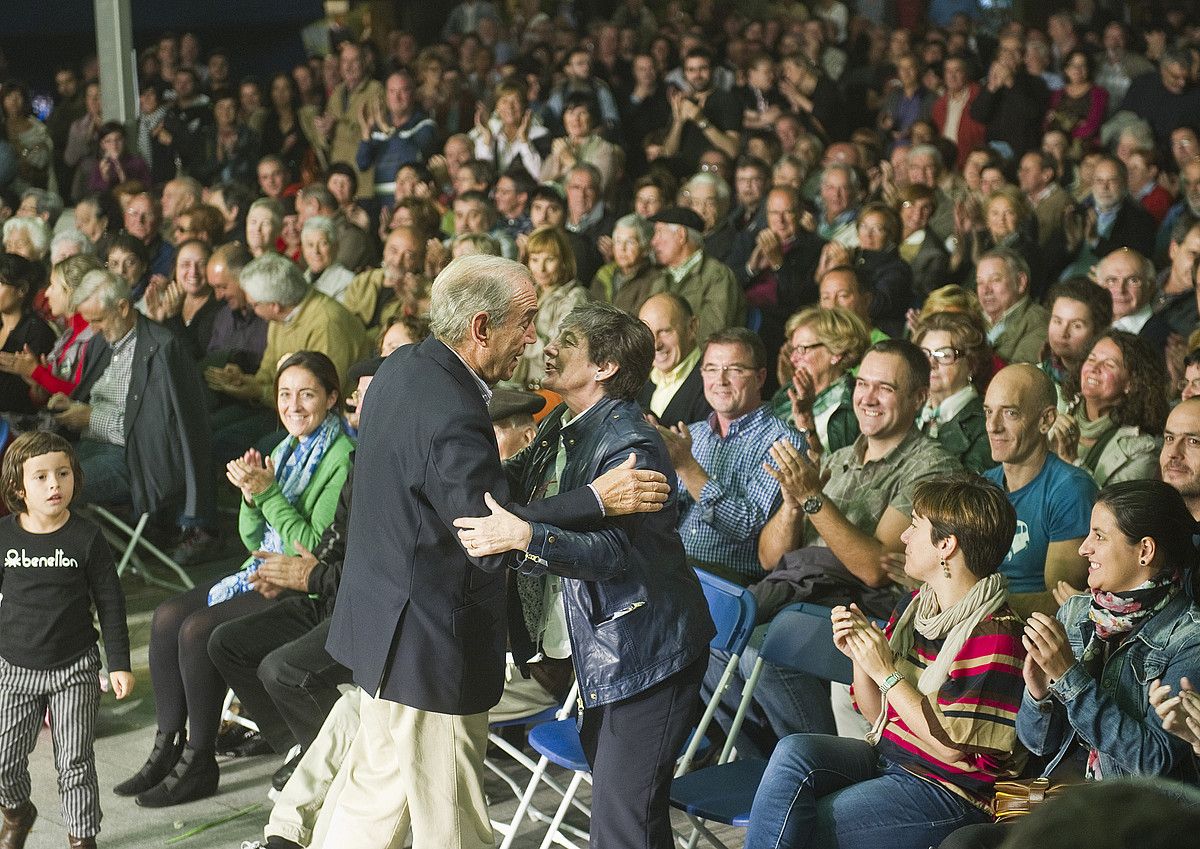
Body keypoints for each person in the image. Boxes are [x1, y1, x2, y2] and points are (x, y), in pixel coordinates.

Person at [319, 255, 666, 848]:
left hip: (383, 630)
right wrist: (595, 500)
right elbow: (488, 531)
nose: (534, 339)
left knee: (371, 805)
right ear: (481, 328)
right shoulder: (453, 411)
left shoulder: (403, 367)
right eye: (526, 321)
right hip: (430, 648)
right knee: (452, 827)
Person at [454, 300, 715, 849]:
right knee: (632, 818)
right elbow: (513, 491)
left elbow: (615, 557)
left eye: (566, 340)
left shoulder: (630, 443)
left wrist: (527, 537)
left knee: (622, 824)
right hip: (607, 647)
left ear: (605, 367)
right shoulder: (562, 421)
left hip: (646, 651)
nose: (549, 346)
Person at [115, 351, 354, 808]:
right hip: (262, 566)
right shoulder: (287, 449)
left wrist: (268, 494)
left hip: (298, 580)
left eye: (307, 394)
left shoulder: (342, 457)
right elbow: (252, 538)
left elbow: (312, 547)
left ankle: (198, 757)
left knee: (199, 629)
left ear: (331, 398)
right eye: (285, 394)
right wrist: (251, 497)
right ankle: (166, 745)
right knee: (167, 615)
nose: (294, 405)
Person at [744, 473, 1026, 849]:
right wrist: (861, 655)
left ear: (946, 545)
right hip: (892, 757)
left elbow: (949, 747)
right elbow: (877, 711)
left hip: (951, 791)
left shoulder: (995, 633)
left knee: (803, 825)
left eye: (914, 527)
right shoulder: (916, 607)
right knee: (794, 752)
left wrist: (886, 671)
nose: (904, 537)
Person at [1019, 481, 1200, 789]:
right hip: (1068, 791)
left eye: (1099, 536)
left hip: (1135, 813)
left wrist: (1068, 676)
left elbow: (1150, 760)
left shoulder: (1189, 637)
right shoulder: (1075, 612)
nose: (1083, 548)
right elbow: (1038, 745)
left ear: (1144, 550)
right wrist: (1038, 694)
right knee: (969, 839)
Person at [0, 432, 133, 849]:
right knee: (4, 763)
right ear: (18, 489)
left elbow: (110, 603)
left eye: (63, 473)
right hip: (14, 668)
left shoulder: (87, 537)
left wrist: (119, 663)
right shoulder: (4, 536)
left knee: (75, 763)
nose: (55, 484)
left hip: (74, 669)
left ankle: (81, 840)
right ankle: (18, 813)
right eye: (40, 477)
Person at [658, 327, 801, 586]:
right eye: (711, 369)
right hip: (677, 567)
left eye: (734, 370)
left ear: (760, 377)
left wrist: (688, 468)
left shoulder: (782, 441)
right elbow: (669, 516)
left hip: (730, 583)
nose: (720, 380)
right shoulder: (695, 434)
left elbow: (747, 527)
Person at [982, 365, 1095, 618]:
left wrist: (974, 604)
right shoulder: (985, 485)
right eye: (988, 412)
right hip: (981, 625)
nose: (992, 426)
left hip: (1034, 638)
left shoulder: (1070, 489)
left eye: (1010, 413)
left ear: (1046, 420)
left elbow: (1060, 601)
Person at [1048, 331, 1166, 487]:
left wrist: (1073, 461)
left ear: (1131, 383)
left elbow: (1116, 510)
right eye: (1091, 359)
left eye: (1109, 364)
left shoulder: (1141, 449)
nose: (1094, 368)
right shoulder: (1056, 405)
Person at [0, 254, 103, 407]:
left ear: (72, 292)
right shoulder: (69, 334)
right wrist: (38, 385)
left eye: (53, 286)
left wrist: (36, 373)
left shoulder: (95, 337)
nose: (47, 293)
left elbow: (82, 395)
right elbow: (46, 398)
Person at [773, 306, 868, 456]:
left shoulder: (849, 406)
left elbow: (835, 472)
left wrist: (805, 420)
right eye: (794, 350)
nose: (793, 359)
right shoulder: (788, 392)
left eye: (802, 349)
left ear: (836, 353)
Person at [648, 206, 745, 344]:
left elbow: (712, 333)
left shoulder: (717, 276)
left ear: (681, 235)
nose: (653, 241)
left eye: (659, 233)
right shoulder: (661, 279)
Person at [913, 311, 995, 474]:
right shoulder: (911, 412)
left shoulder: (986, 423)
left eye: (944, 355)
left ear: (972, 365)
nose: (931, 363)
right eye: (925, 354)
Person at [510, 225, 588, 389]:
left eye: (549, 259)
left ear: (564, 261)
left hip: (552, 390)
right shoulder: (529, 292)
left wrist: (518, 337)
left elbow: (561, 353)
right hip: (520, 387)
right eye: (535, 259)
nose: (541, 268)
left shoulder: (574, 297)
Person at [637, 292, 711, 428]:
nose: (655, 345)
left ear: (692, 328)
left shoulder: (713, 386)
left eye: (665, 331)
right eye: (647, 333)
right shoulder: (637, 384)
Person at [1039, 278, 1112, 412]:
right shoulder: (1036, 375)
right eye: (1057, 321)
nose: (1063, 332)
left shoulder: (1107, 382)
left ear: (1098, 330)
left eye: (1076, 325)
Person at [0, 253, 55, 414]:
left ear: (22, 289)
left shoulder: (38, 332)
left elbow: (21, 395)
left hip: (18, 422)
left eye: (0, 283)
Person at [975, 248, 1048, 365]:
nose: (986, 290)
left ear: (1020, 282)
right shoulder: (970, 318)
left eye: (995, 280)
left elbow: (1015, 377)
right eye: (980, 282)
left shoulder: (1038, 323)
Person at [590, 214, 659, 313]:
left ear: (644, 248)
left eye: (630, 242)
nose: (622, 248)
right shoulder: (604, 274)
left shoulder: (653, 280)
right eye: (618, 241)